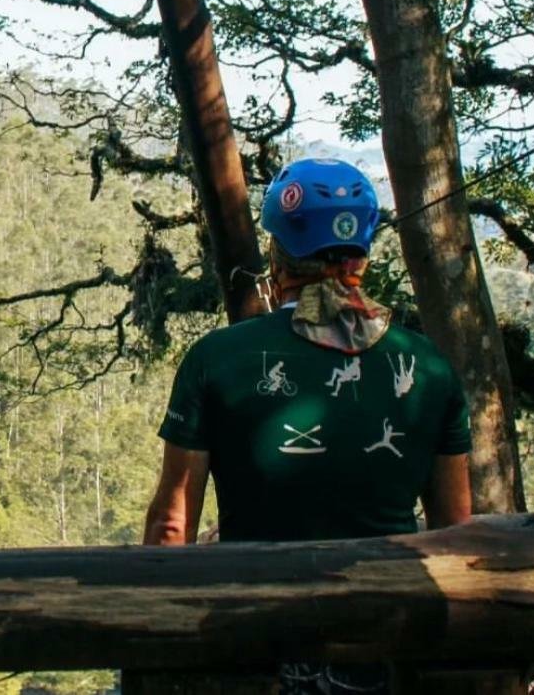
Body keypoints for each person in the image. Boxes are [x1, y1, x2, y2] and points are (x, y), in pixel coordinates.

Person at [143, 157, 472, 694]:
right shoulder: (429, 368)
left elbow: (171, 529)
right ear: (362, 255)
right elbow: (454, 534)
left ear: (278, 252)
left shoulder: (217, 359)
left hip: (253, 646)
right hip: (384, 651)